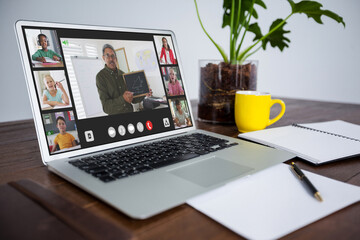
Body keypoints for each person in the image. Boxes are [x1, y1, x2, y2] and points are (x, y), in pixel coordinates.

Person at [96, 44, 151, 115]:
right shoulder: (100, 77)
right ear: (103, 58)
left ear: (116, 58)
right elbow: (106, 107)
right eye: (107, 56)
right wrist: (123, 99)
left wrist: (144, 93)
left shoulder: (123, 74)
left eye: (112, 56)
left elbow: (133, 99)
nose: (111, 59)